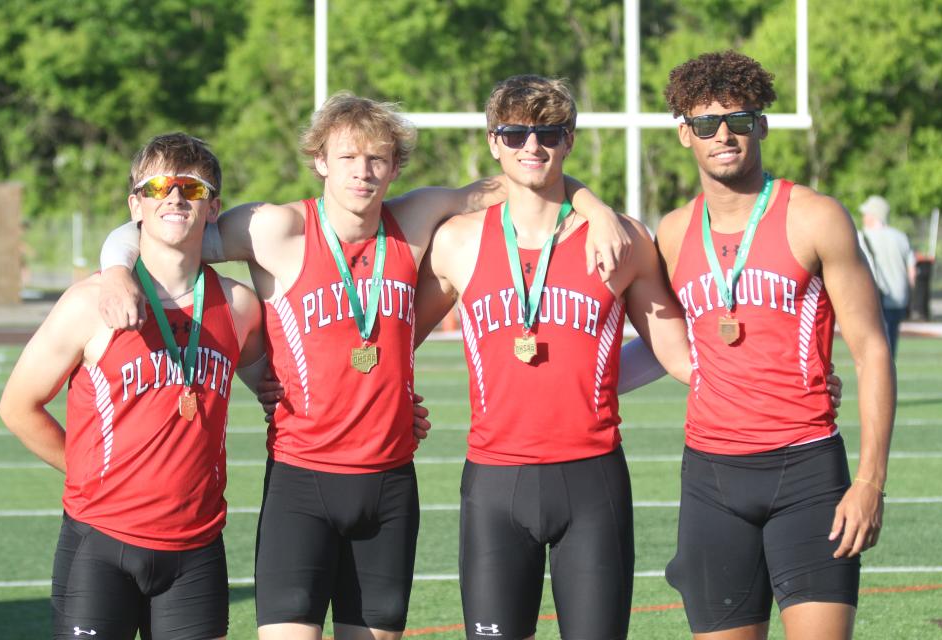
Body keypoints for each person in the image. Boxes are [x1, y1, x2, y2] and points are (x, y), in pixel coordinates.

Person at [96, 93, 629, 640]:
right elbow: (159, 229)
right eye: (347, 158)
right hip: (301, 482)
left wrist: (597, 210)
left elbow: (525, 178)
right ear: (321, 160)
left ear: (395, 167)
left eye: (377, 158)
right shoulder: (275, 229)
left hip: (389, 484)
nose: (363, 171)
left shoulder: (415, 221)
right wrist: (115, 270)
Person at [413, 74, 693, 640]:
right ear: (494, 142)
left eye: (548, 132)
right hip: (494, 481)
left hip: (591, 479)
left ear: (570, 140)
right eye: (515, 134)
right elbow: (391, 340)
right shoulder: (457, 241)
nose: (531, 146)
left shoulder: (622, 241)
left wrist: (782, 373)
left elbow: (678, 354)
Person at [655, 51, 895, 639]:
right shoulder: (672, 231)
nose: (723, 135)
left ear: (760, 123)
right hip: (710, 476)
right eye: (706, 124)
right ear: (685, 134)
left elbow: (872, 350)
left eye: (737, 119)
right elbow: (665, 333)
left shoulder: (816, 217)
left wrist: (869, 482)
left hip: (807, 468)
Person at [0, 133, 267, 640]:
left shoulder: (239, 306)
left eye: (191, 187)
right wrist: (86, 469)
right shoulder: (90, 302)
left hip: (197, 544)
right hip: (100, 541)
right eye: (158, 186)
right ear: (135, 205)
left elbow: (281, 388)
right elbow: (17, 406)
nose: (174, 197)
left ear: (213, 208)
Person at [858, 195, 916, 358]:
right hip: (899, 300)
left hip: (874, 298)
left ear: (873, 215)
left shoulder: (862, 237)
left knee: (874, 350)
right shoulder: (901, 237)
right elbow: (912, 273)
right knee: (891, 349)